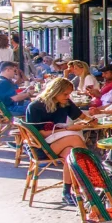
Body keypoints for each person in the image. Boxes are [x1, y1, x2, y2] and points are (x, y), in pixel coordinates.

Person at [24, 77, 92, 205]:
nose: (68, 96)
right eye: (65, 94)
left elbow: (82, 116)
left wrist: (91, 120)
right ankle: (90, 178)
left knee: (72, 154)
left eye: (69, 94)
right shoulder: (36, 107)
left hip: (56, 143)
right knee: (75, 138)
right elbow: (39, 134)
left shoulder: (64, 102)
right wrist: (68, 128)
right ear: (55, 91)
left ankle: (67, 191)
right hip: (39, 147)